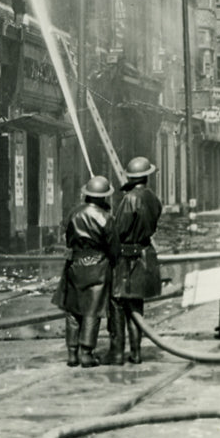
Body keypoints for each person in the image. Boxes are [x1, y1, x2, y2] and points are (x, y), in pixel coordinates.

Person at [52, 175, 118, 368]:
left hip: (75, 264)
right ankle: (86, 353)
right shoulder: (106, 218)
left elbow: (68, 239)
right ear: (104, 197)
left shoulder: (74, 214)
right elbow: (113, 247)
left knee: (73, 310)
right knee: (92, 311)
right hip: (98, 266)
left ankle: (72, 353)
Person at [105, 155, 163, 366]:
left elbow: (119, 230)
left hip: (127, 259)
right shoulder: (153, 198)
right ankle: (136, 352)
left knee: (118, 303)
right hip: (145, 255)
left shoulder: (130, 199)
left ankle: (118, 352)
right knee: (136, 307)